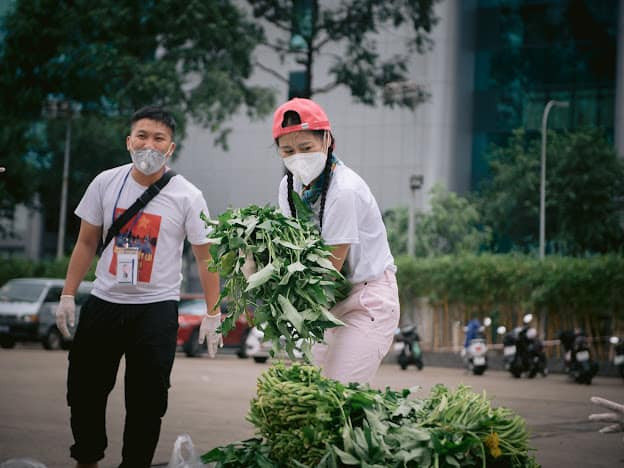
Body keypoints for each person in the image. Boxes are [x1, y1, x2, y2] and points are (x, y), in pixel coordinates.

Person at [56, 105, 222, 468]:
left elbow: (205, 256)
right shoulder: (105, 182)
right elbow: (86, 243)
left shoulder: (187, 196)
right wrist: (68, 294)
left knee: (147, 400)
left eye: (158, 138)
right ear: (128, 141)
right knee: (84, 390)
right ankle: (87, 458)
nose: (149, 145)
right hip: (104, 301)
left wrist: (214, 311)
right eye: (142, 136)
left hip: (156, 308)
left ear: (170, 148)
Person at [272, 97, 400, 384]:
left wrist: (289, 306)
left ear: (327, 140)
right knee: (307, 390)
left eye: (306, 148)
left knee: (337, 391)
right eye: (288, 150)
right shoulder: (288, 187)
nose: (298, 157)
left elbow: (329, 268)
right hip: (326, 303)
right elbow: (293, 248)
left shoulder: (344, 190)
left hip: (365, 300)